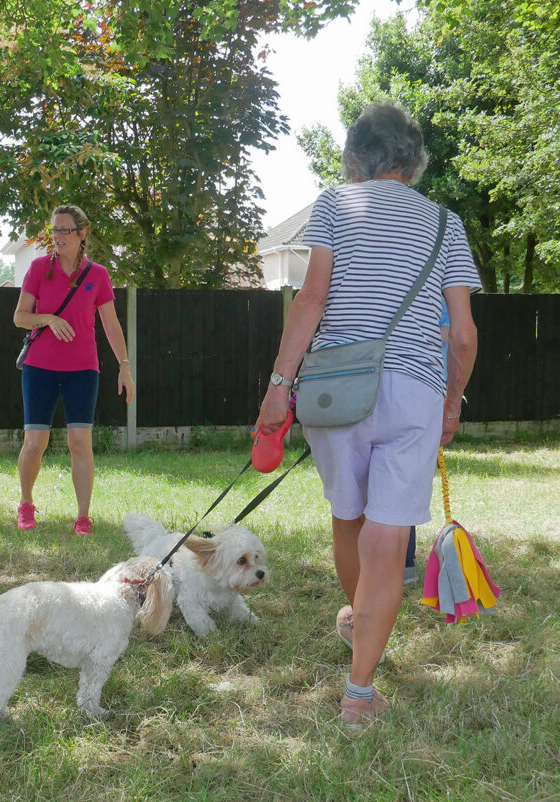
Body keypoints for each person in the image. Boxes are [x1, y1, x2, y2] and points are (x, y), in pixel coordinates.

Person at [253, 104, 479, 726]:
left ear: (355, 157)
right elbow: (462, 336)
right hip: (414, 390)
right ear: (414, 160)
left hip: (335, 391)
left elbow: (310, 302)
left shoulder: (334, 206)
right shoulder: (445, 224)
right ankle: (359, 694)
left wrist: (279, 386)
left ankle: (357, 618)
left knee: (348, 519)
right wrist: (452, 401)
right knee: (388, 540)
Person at [13, 204, 135, 536]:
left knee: (80, 442)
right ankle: (26, 503)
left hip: (83, 369)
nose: (58, 237)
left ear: (82, 233)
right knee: (35, 442)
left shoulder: (98, 275)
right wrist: (49, 318)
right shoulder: (39, 268)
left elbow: (111, 325)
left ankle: (83, 516)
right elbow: (20, 316)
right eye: (54, 230)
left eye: (65, 230)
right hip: (39, 367)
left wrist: (124, 366)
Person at [405, 301, 451, 585]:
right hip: (405, 390)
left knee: (403, 482)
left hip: (422, 393)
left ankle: (405, 563)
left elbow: (447, 332)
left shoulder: (440, 289)